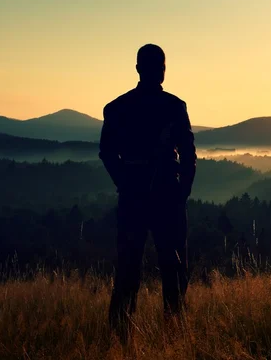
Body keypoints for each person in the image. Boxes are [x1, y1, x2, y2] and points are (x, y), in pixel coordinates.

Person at [99, 44, 196, 338]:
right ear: (149, 69)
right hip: (167, 196)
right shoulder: (174, 107)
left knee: (129, 268)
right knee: (173, 268)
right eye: (160, 65)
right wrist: (182, 193)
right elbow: (189, 155)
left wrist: (125, 182)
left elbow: (107, 153)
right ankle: (173, 334)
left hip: (135, 197)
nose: (161, 71)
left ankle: (120, 337)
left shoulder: (118, 108)